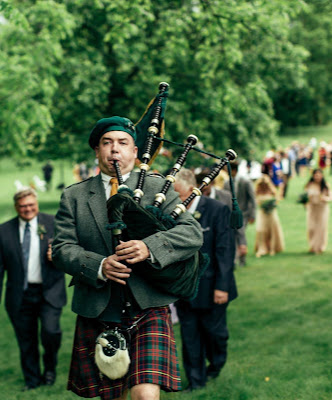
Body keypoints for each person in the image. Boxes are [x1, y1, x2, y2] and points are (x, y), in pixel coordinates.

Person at [52, 116, 203, 400]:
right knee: (115, 397)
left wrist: (150, 247)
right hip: (100, 308)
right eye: (107, 143)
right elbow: (61, 248)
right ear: (96, 150)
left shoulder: (157, 187)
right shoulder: (74, 196)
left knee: (145, 395)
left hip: (148, 306)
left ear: (135, 151)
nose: (114, 150)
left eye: (123, 143)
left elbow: (192, 234)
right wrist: (99, 265)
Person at [173, 169, 237, 391]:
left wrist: (222, 287)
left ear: (192, 190)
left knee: (214, 334)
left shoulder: (217, 210)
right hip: (184, 289)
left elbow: (225, 251)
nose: (175, 200)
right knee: (190, 337)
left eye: (178, 194)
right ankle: (196, 381)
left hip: (213, 287)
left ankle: (217, 362)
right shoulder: (171, 214)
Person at [0, 188, 66, 391]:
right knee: (26, 340)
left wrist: (57, 257)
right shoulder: (3, 231)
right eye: (23, 206)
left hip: (50, 292)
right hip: (19, 295)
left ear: (36, 204)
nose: (28, 209)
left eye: (31, 205)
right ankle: (32, 380)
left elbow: (69, 254)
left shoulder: (53, 223)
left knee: (50, 332)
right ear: (16, 207)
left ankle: (50, 368)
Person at [223, 161, 256, 266]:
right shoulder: (226, 183)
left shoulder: (245, 182)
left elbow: (252, 199)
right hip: (231, 215)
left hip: (244, 213)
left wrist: (253, 215)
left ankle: (241, 258)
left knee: (241, 233)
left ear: (234, 170)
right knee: (233, 235)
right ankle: (235, 258)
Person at [304, 169, 332, 254]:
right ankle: (312, 246)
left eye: (319, 175)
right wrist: (305, 202)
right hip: (312, 208)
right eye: (315, 175)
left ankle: (320, 247)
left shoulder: (325, 186)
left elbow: (331, 197)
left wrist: (325, 198)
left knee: (321, 228)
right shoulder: (309, 185)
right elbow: (305, 196)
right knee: (311, 227)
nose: (317, 177)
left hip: (322, 208)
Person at [254, 175, 284, 257]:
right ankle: (262, 248)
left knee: (272, 230)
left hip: (271, 213)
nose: (264, 185)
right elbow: (255, 201)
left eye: (265, 183)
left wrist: (272, 204)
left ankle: (272, 248)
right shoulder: (257, 191)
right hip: (262, 213)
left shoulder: (271, 191)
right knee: (261, 230)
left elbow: (277, 199)